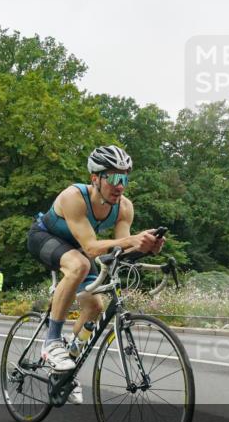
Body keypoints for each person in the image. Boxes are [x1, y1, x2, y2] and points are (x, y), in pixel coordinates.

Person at [27, 145, 163, 403]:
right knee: (79, 264)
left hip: (78, 250)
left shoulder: (124, 207)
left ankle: (65, 367)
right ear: (95, 179)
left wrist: (146, 248)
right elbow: (91, 247)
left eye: (124, 178)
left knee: (95, 306)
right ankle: (51, 341)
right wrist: (133, 240)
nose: (120, 185)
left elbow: (121, 248)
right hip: (44, 237)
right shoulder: (73, 197)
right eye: (113, 177)